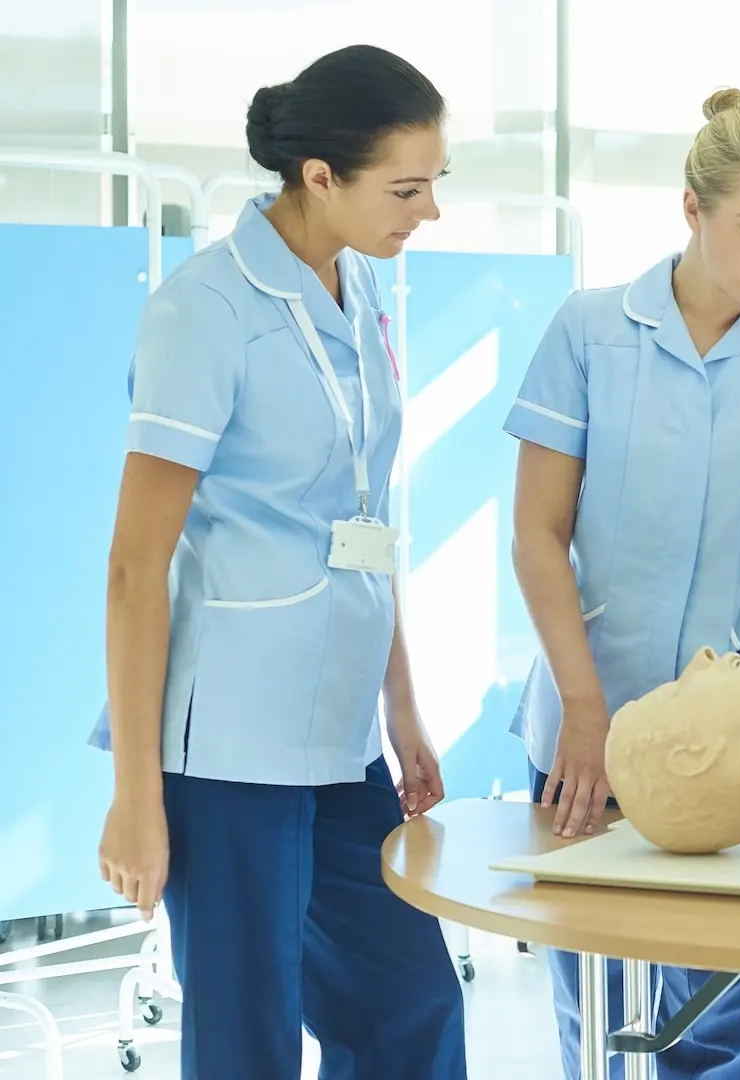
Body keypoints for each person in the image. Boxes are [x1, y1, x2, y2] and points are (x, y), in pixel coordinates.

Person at [91, 45, 465, 1080]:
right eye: (405, 187)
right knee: (249, 1040)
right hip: (228, 753)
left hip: (342, 740)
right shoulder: (205, 312)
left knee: (413, 1009)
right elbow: (135, 567)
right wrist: (135, 794)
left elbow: (366, 516)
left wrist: (401, 708)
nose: (428, 210)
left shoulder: (361, 293)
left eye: (436, 182)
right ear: (318, 178)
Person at [507, 87, 740, 1080]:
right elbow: (537, 533)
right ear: (691, 209)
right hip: (592, 722)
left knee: (723, 1018)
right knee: (599, 1009)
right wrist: (583, 707)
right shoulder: (589, 331)